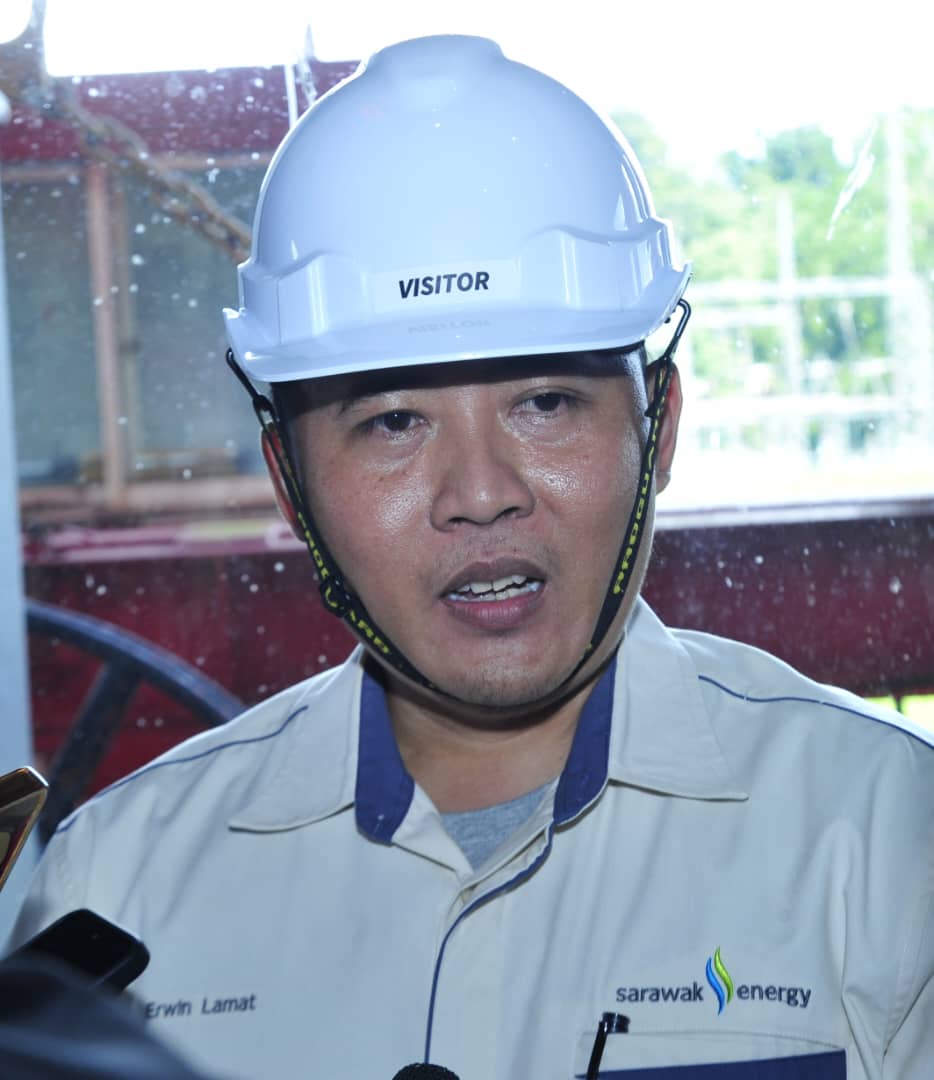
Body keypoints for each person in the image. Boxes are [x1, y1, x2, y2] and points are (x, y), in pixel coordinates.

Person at [10, 34, 933, 1080]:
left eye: (545, 403)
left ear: (660, 427)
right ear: (289, 482)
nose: (481, 492)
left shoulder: (886, 840)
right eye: (394, 422)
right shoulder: (116, 887)